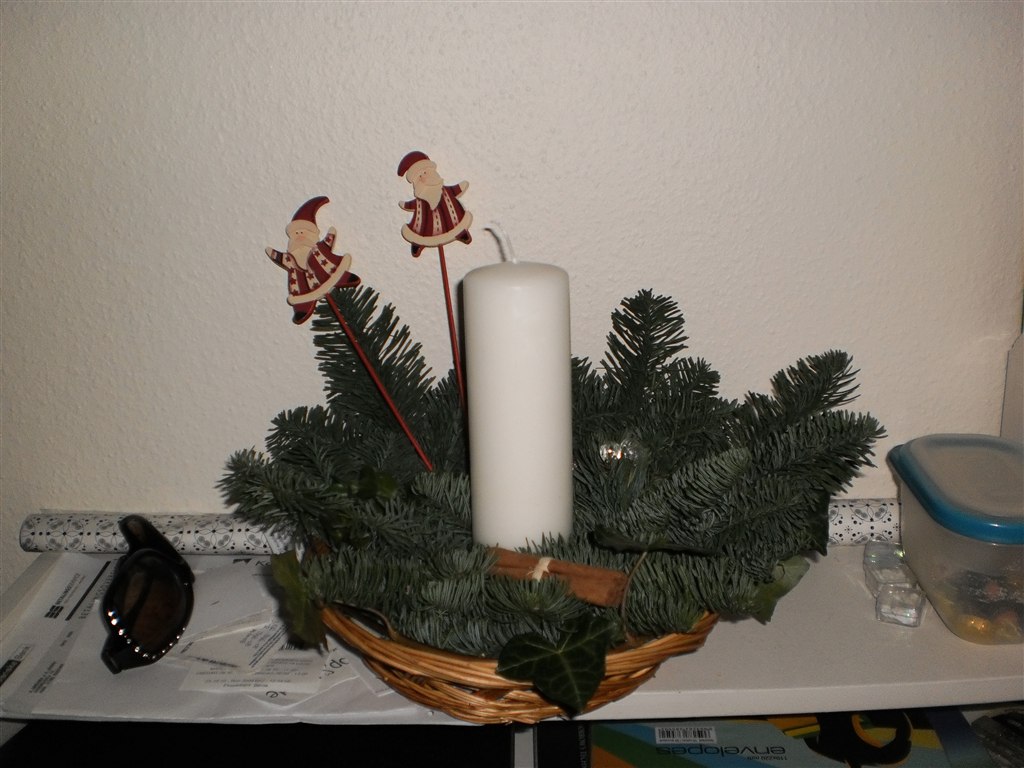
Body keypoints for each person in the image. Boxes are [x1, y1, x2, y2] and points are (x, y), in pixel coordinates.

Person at [266, 196, 360, 324]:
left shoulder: (318, 248)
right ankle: (302, 310)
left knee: (336, 271)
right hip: (304, 287)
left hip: (329, 273)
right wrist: (273, 253)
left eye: (303, 232)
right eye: (296, 233)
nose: (299, 235)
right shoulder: (291, 258)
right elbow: (280, 258)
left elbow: (327, 243)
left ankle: (346, 278)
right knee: (302, 297)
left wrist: (331, 234)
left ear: (313, 234)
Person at [397, 151, 472, 257]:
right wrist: (405, 205)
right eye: (419, 176)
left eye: (425, 173)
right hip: (426, 229)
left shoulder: (445, 191)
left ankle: (460, 233)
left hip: (452, 222)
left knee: (456, 224)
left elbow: (454, 190)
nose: (423, 178)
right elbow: (412, 205)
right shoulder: (420, 201)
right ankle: (418, 242)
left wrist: (461, 186)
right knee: (420, 230)